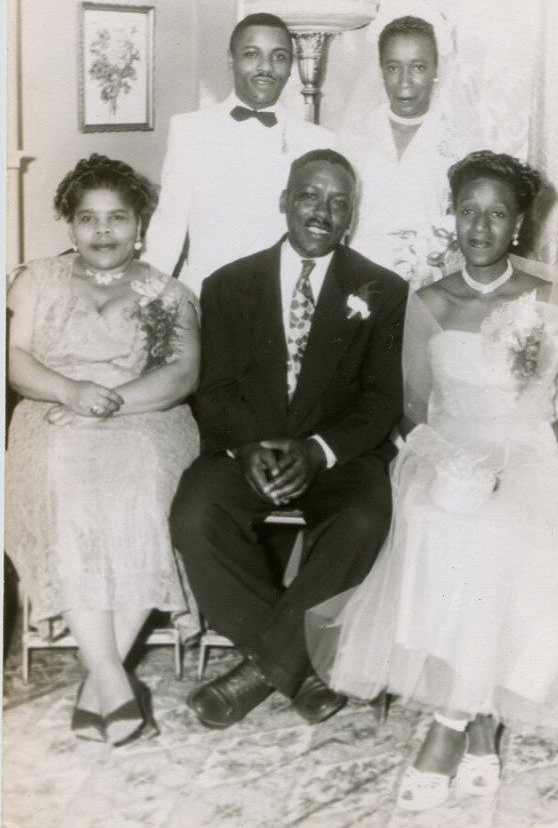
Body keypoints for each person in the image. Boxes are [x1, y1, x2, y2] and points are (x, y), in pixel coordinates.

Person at [306, 151, 558, 812]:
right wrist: (437, 451)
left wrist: (532, 445)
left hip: (539, 454)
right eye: (468, 209)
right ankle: (480, 725)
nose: (481, 224)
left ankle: (449, 726)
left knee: (512, 529)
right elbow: (408, 408)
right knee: (449, 513)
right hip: (449, 455)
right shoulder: (424, 302)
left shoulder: (554, 298)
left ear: (518, 224)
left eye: (497, 212)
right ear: (452, 215)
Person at [170, 148, 408, 729]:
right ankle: (295, 667)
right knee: (195, 513)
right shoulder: (227, 285)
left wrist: (317, 450)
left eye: (338, 202)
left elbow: (382, 401)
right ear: (284, 201)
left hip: (337, 456)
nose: (322, 211)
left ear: (351, 215)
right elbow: (216, 388)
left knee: (365, 520)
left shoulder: (383, 289)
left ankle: (260, 672)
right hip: (247, 450)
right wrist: (249, 446)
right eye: (309, 195)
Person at [5, 154, 201, 746]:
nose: (103, 232)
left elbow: (182, 374)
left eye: (118, 218)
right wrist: (71, 390)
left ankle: (101, 685)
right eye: (88, 219)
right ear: (69, 224)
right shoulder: (34, 279)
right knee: (67, 476)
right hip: (52, 410)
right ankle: (115, 683)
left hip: (145, 416)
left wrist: (109, 399)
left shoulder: (164, 290)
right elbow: (13, 360)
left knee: (142, 484)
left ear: (140, 224)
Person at [145, 12, 334, 294]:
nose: (265, 68)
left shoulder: (318, 141)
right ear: (231, 59)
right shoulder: (190, 130)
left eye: (279, 56)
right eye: (251, 54)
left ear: (291, 66)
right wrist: (144, 305)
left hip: (283, 302)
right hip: (205, 298)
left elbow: (327, 236)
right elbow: (167, 230)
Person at [340, 14, 484, 287]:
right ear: (381, 70)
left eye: (418, 67)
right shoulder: (356, 136)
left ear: (435, 70)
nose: (405, 81)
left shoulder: (458, 142)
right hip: (359, 279)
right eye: (394, 68)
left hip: (431, 281)